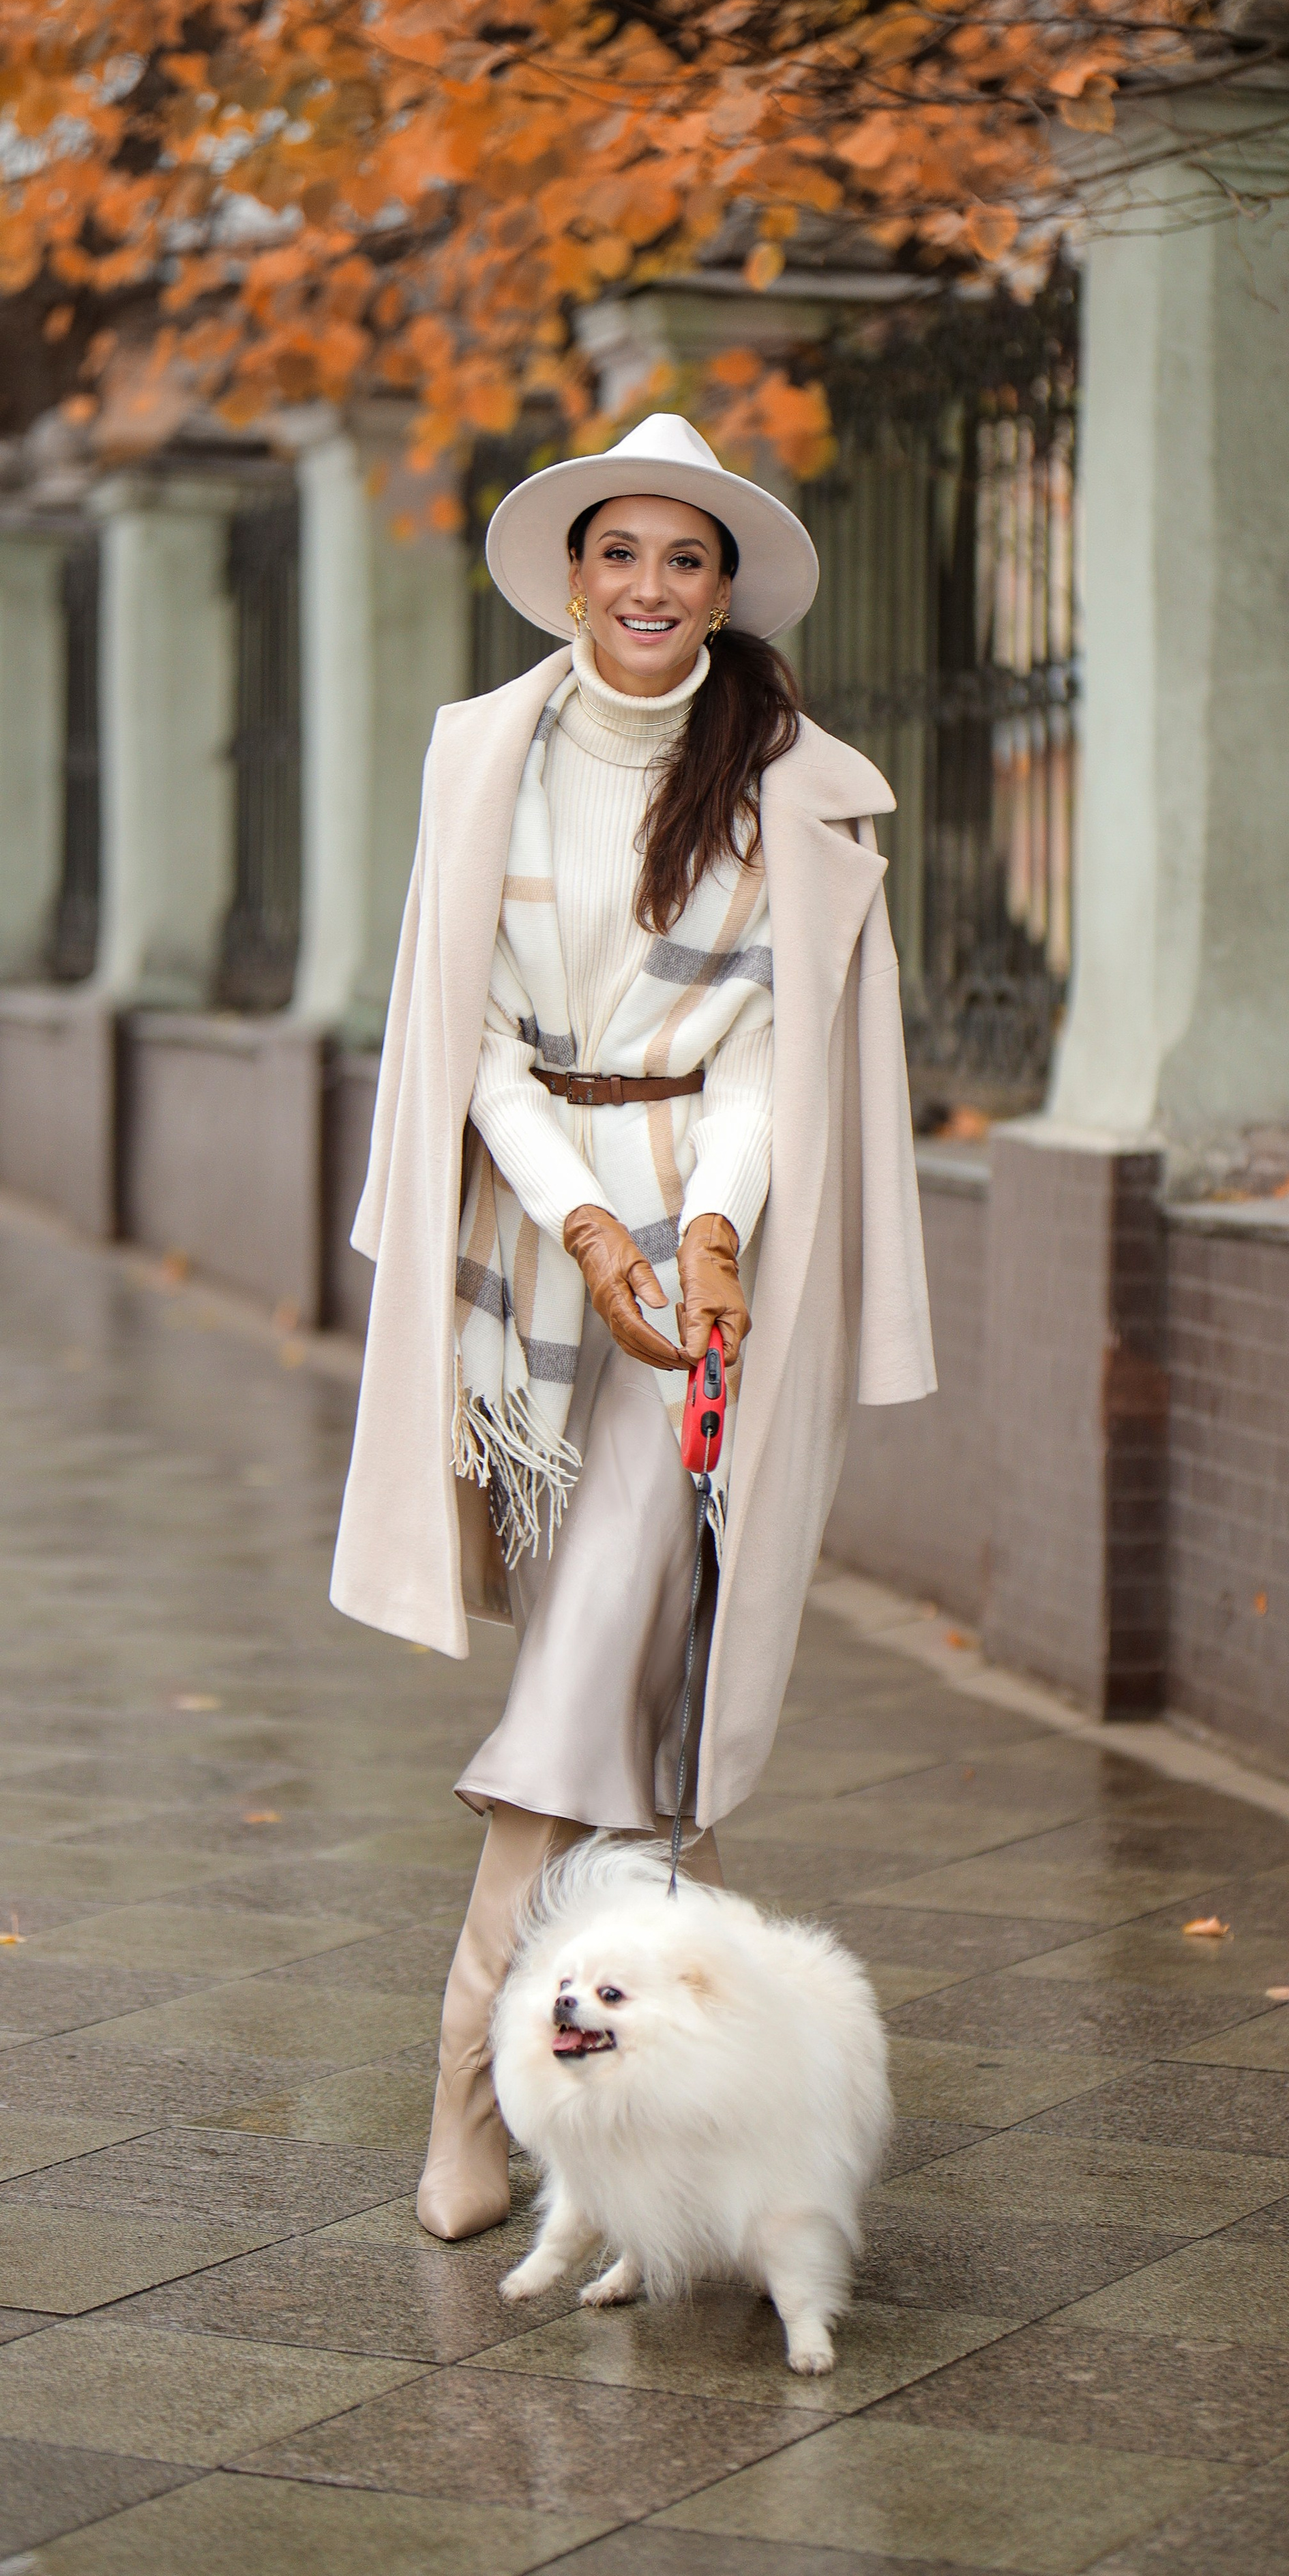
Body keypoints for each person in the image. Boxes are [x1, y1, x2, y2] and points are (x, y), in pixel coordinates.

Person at [330, 413, 936, 2239]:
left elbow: (770, 1052)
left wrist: (712, 1240)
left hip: (716, 1259)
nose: (651, 588)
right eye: (621, 554)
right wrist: (587, 1222)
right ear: (574, 573)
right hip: (529, 1243)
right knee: (650, 1707)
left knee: (607, 1664)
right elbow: (475, 1043)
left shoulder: (788, 786)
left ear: (723, 584)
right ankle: (691, 2114)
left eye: (687, 559)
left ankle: (473, 2096)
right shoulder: (487, 759)